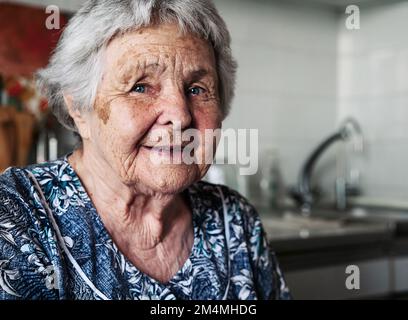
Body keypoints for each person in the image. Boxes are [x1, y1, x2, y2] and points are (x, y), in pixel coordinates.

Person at [0, 0, 290, 300]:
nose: (180, 116)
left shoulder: (235, 220)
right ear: (79, 109)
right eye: (141, 87)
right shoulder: (15, 220)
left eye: (197, 89)